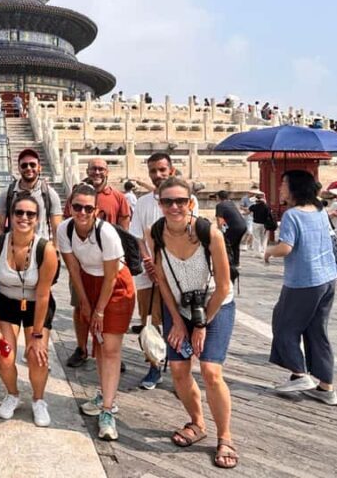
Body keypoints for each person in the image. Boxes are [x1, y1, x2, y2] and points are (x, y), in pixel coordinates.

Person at [146, 177, 237, 469]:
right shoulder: (156, 232)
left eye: (180, 201)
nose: (174, 207)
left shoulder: (209, 233)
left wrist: (199, 325)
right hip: (179, 306)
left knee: (210, 370)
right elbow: (162, 280)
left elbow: (223, 287)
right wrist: (176, 321)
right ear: (159, 204)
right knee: (178, 369)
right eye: (167, 201)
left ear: (190, 203)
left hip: (216, 304)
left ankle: (225, 436)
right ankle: (198, 423)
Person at [59, 183, 135, 440]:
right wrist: (85, 304)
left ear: (96, 211)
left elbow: (112, 276)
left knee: (111, 348)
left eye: (87, 208)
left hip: (115, 286)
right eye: (77, 206)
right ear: (69, 206)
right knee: (99, 344)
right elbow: (73, 270)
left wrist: (99, 311)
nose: (81, 212)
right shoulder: (64, 229)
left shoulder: (108, 234)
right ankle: (105, 393)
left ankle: (108, 411)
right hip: (89, 283)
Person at [0, 193, 58, 426]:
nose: (24, 217)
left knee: (37, 356)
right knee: (3, 354)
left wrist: (36, 336)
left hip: (37, 305)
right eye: (19, 213)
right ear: (10, 217)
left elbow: (44, 294)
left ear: (37, 219)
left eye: (30, 214)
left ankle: (38, 399)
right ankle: (12, 393)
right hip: (5, 302)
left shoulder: (46, 249)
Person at [265, 170, 337, 405]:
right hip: (327, 278)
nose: (280, 189)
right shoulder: (319, 210)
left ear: (295, 187)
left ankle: (299, 374)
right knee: (318, 332)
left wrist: (268, 252)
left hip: (303, 282)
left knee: (283, 324)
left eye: (284, 184)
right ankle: (326, 387)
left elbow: (286, 247)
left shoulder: (292, 215)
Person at [129, 152, 199, 390]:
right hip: (149, 273)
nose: (157, 175)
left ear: (171, 170)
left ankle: (182, 369)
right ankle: (154, 365)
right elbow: (138, 236)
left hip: (179, 272)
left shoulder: (187, 200)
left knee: (179, 319)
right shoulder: (142, 203)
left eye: (161, 170)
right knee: (150, 321)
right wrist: (148, 261)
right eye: (152, 171)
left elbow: (193, 235)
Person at [65, 158, 130, 370]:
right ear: (87, 170)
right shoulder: (76, 196)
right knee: (81, 307)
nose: (97, 172)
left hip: (110, 262)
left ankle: (108, 351)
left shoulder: (118, 197)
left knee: (106, 312)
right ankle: (82, 348)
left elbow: (124, 229)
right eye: (93, 168)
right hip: (83, 264)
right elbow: (69, 227)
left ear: (107, 172)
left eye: (101, 168)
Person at [0, 148, 62, 242]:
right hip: (13, 247)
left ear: (39, 167)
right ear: (19, 168)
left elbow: (57, 229)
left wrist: (56, 251)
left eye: (32, 165)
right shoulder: (7, 193)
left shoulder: (49, 194)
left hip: (41, 247)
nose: (28, 168)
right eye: (24, 165)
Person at [215, 191, 247, 267]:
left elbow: (219, 220)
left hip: (234, 227)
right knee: (235, 245)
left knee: (226, 244)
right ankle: (236, 263)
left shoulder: (220, 205)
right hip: (243, 226)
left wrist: (219, 231)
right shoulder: (231, 203)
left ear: (219, 197)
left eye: (216, 197)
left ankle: (226, 263)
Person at [248, 193, 272, 257]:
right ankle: (263, 251)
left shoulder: (254, 206)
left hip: (256, 223)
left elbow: (247, 212)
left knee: (256, 238)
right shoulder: (267, 206)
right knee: (264, 238)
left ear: (256, 200)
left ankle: (257, 253)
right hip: (265, 224)